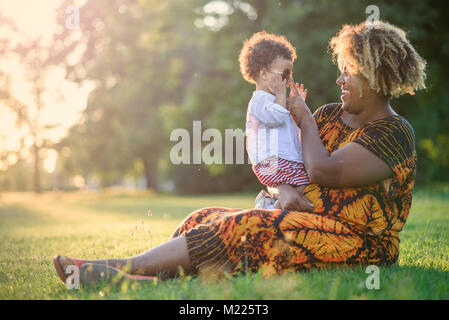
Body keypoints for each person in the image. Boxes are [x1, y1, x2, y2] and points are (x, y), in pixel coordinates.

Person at [54, 20, 426, 286]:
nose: (339, 80)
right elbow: (287, 165)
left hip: (356, 242)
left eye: (351, 73)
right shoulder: (329, 114)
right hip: (296, 218)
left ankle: (121, 268)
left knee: (245, 227)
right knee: (202, 217)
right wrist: (278, 189)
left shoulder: (394, 133)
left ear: (378, 78)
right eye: (341, 71)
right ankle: (147, 280)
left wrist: (305, 123)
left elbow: (323, 171)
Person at [239, 31, 309, 209]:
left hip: (283, 161)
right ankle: (268, 209)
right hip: (273, 162)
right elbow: (276, 118)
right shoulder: (259, 99)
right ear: (263, 74)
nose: (288, 81)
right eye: (285, 75)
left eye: (290, 76)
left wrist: (295, 108)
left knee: (304, 187)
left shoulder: (274, 102)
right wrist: (281, 95)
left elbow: (287, 126)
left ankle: (273, 207)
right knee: (306, 186)